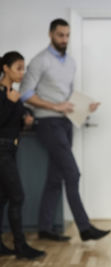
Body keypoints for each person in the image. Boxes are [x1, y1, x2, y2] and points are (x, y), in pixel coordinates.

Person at [19, 18, 110, 242]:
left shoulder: (70, 62)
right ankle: (84, 227)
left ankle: (45, 228)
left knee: (55, 177)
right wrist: (54, 106)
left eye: (67, 35)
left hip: (65, 123)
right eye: (60, 35)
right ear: (51, 34)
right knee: (73, 173)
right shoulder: (40, 61)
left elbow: (66, 97)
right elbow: (25, 94)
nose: (64, 39)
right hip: (48, 123)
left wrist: (84, 106)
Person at [0, 51, 45, 259]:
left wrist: (26, 118)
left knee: (3, 198)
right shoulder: (4, 93)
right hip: (2, 151)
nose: (22, 72)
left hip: (11, 149)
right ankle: (20, 246)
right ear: (5, 68)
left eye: (23, 67)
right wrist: (10, 103)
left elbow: (13, 120)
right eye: (18, 67)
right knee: (17, 196)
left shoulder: (13, 93)